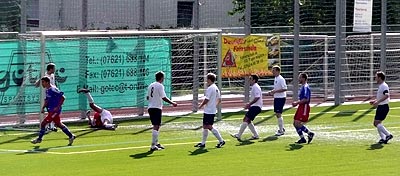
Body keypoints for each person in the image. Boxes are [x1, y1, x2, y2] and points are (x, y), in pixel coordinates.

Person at [31, 77, 76, 146]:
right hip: (51, 110)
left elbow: (63, 97)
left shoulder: (53, 89)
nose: (42, 84)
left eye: (43, 82)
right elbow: (47, 100)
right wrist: (43, 108)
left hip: (55, 111)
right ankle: (71, 136)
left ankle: (39, 139)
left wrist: (57, 107)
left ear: (47, 82)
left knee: (43, 123)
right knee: (59, 124)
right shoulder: (47, 90)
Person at [147, 71, 177, 151]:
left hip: (150, 107)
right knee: (156, 126)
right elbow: (164, 97)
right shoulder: (160, 86)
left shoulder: (151, 85)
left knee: (156, 125)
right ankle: (153, 146)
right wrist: (172, 103)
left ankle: (156, 143)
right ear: (161, 78)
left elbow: (147, 97)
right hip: (156, 108)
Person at [194, 73, 225, 148]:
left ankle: (221, 140)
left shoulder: (210, 88)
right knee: (205, 126)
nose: (206, 80)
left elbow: (206, 99)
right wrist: (214, 105)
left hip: (209, 111)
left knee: (209, 126)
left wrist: (200, 106)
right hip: (210, 110)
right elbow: (220, 99)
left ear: (209, 79)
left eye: (207, 79)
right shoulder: (216, 88)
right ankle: (203, 143)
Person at [231, 75, 262, 141]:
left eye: (250, 79)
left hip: (256, 107)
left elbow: (257, 97)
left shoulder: (255, 87)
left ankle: (238, 135)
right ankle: (255, 135)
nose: (249, 80)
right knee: (248, 120)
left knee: (246, 119)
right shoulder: (254, 87)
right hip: (255, 106)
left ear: (254, 80)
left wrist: (249, 104)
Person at [369, 71, 393, 144]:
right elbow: (382, 96)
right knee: (377, 123)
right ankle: (383, 138)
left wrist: (378, 102)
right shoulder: (381, 86)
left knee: (376, 123)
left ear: (380, 78)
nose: (375, 78)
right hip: (381, 106)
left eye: (376, 77)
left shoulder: (384, 86)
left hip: (383, 107)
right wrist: (375, 101)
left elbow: (386, 95)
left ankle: (388, 135)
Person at [292, 73, 315, 144]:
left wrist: (297, 103)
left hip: (304, 107)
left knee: (298, 123)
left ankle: (309, 133)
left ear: (304, 79)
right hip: (301, 107)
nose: (298, 79)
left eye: (300, 78)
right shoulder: (303, 87)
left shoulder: (305, 87)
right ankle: (302, 138)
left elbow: (306, 99)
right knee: (295, 123)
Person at [35, 63, 57, 132]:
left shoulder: (52, 75)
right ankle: (50, 126)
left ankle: (51, 126)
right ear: (50, 69)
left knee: (53, 111)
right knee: (50, 111)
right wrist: (39, 81)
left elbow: (53, 85)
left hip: (54, 95)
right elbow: (37, 84)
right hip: (48, 96)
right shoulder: (45, 76)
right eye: (54, 68)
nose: (54, 70)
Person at [267, 65, 287, 136]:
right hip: (277, 98)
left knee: (278, 113)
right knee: (277, 113)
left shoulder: (281, 79)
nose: (272, 72)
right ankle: (281, 128)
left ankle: (281, 130)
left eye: (274, 70)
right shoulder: (276, 78)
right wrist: (272, 91)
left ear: (278, 71)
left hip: (281, 98)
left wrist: (275, 92)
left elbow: (285, 88)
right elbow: (277, 88)